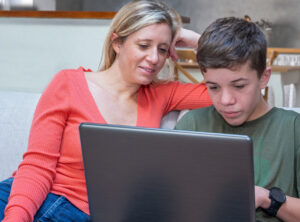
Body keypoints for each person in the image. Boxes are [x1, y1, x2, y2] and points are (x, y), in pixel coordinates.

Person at [0, 0, 211, 221]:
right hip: (23, 198)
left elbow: (227, 92)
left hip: (81, 213)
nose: (154, 58)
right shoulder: (68, 83)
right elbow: (38, 165)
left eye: (162, 49)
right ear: (117, 43)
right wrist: (16, 217)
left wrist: (199, 42)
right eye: (143, 45)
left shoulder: (162, 94)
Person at [175, 17, 300, 222]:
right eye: (213, 87)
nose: (225, 100)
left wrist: (267, 198)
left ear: (264, 77)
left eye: (239, 86)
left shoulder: (293, 129)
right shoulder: (191, 125)